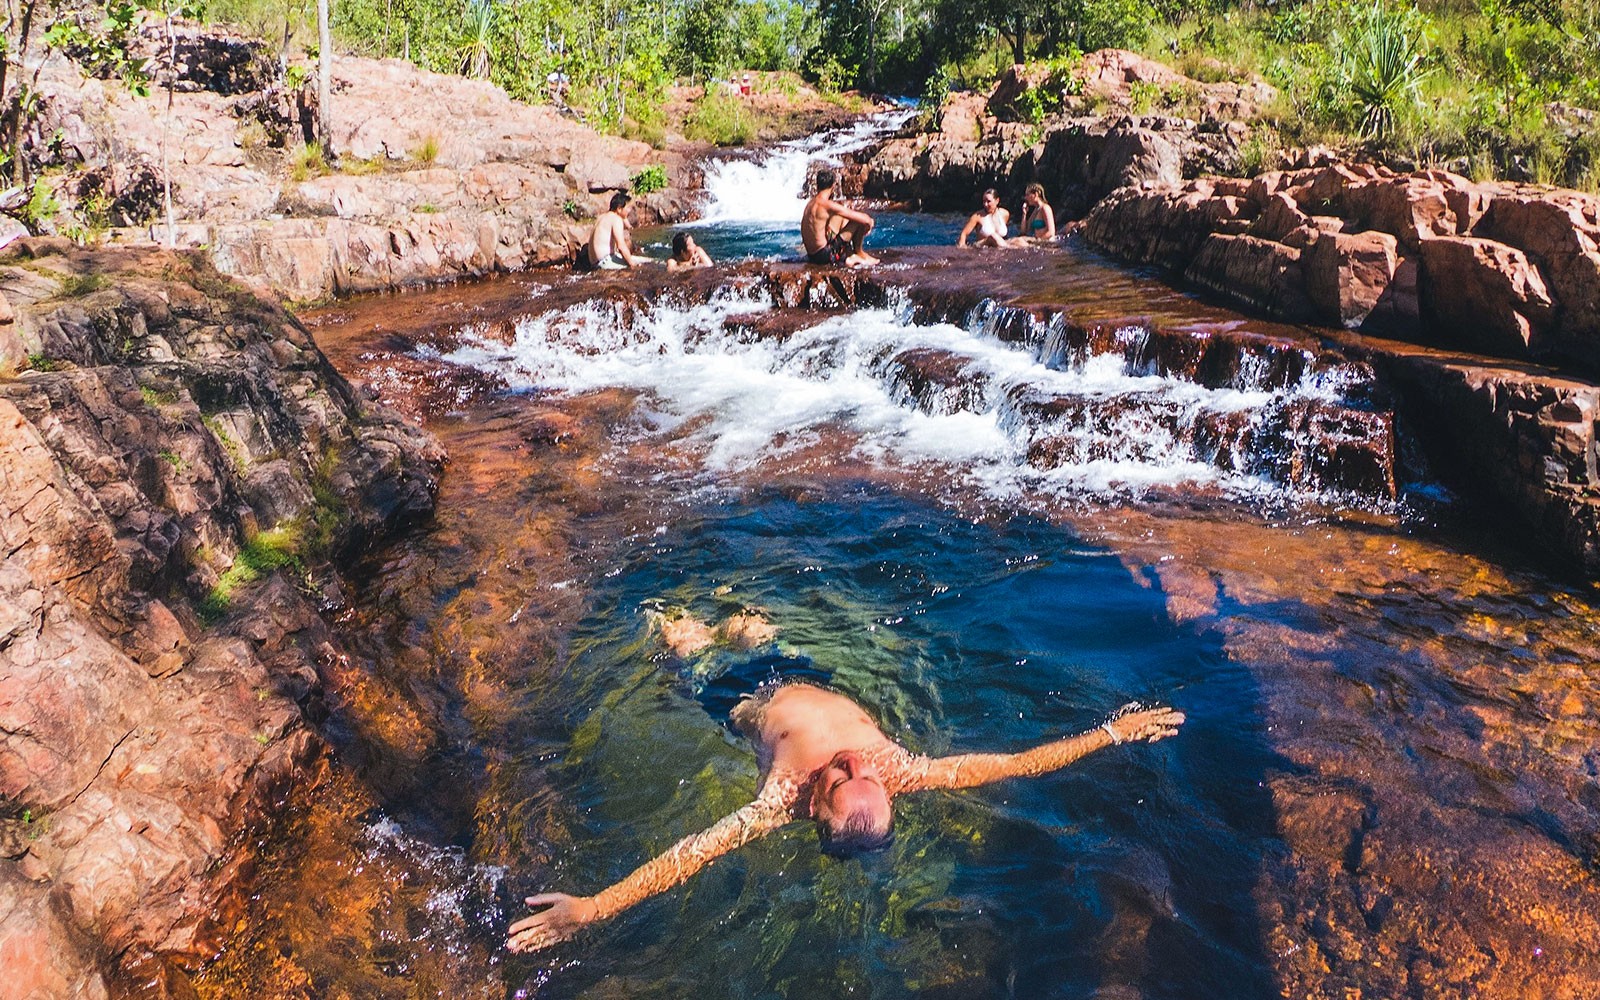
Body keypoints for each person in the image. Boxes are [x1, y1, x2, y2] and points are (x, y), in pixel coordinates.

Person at [505, 679, 1184, 952]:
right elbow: (1019, 763)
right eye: (861, 773)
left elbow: (691, 855)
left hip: (738, 696)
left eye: (845, 776)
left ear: (816, 806)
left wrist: (594, 907)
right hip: (793, 668)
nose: (856, 761)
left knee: (680, 634)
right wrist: (1110, 734)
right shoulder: (898, 768)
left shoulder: (780, 799)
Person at [802, 168, 878, 268]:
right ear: (833, 186)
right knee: (857, 222)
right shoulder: (827, 205)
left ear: (817, 186)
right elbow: (864, 219)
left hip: (812, 256)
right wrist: (869, 222)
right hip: (825, 256)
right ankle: (858, 254)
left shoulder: (810, 203)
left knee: (840, 217)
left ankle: (849, 253)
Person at [587, 192, 648, 270]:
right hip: (605, 262)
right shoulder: (616, 219)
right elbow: (621, 247)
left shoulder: (601, 217)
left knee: (643, 260)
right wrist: (632, 264)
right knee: (646, 265)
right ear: (619, 209)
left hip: (594, 262)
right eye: (628, 207)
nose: (629, 210)